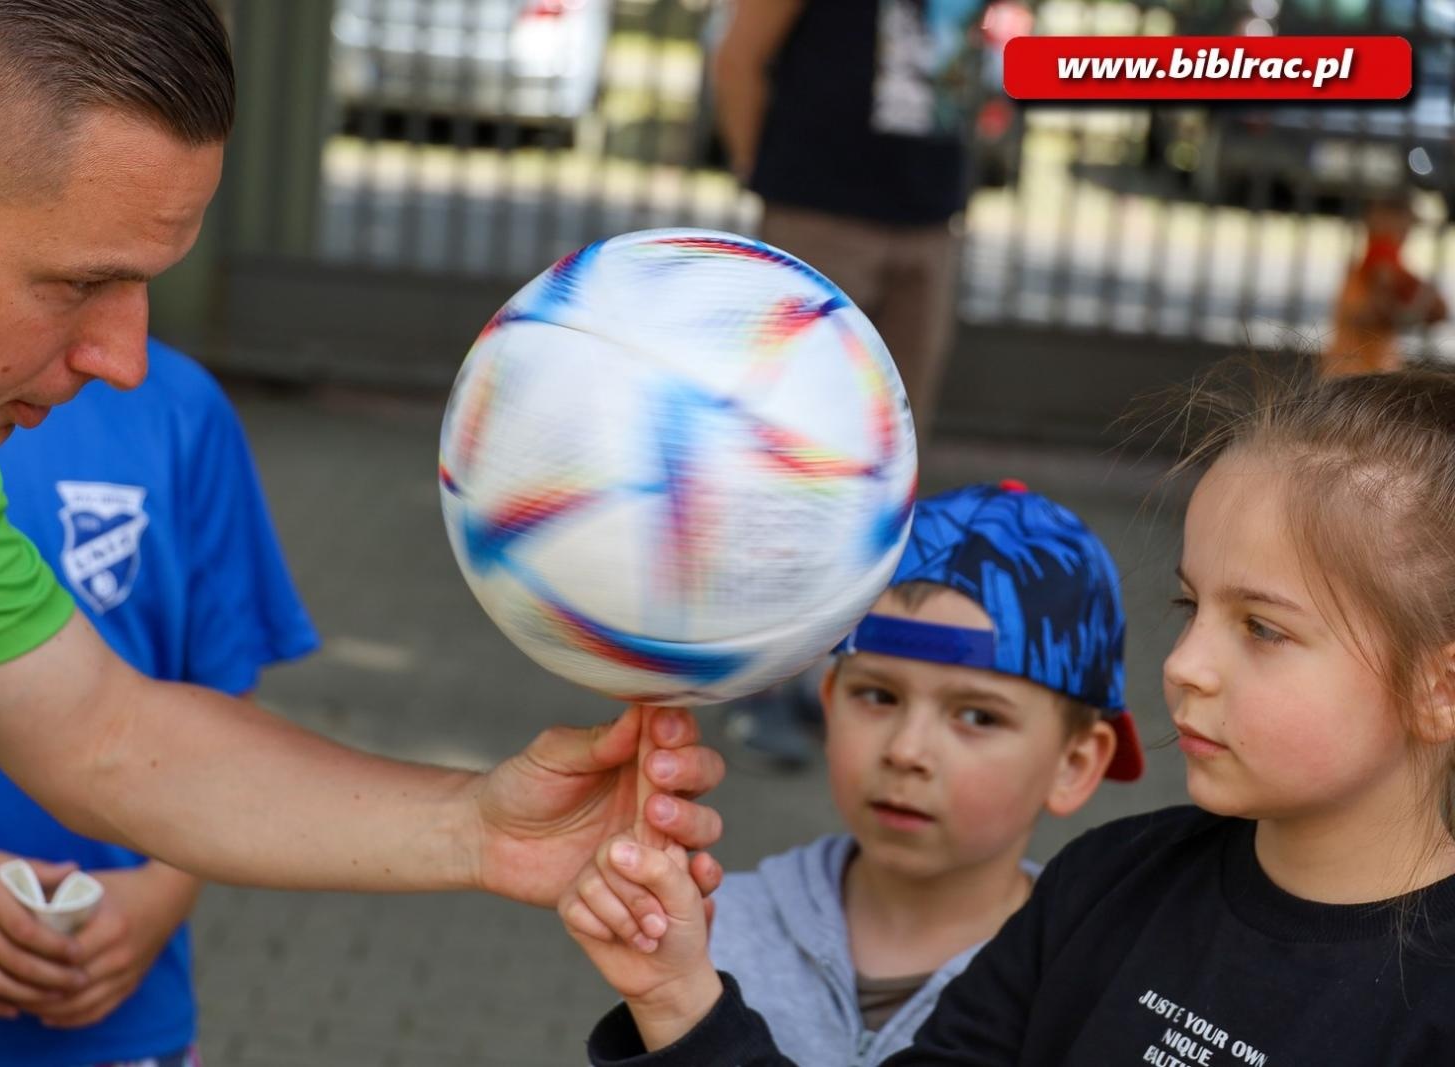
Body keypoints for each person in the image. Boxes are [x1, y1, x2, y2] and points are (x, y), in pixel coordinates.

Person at [0, 0, 721, 920]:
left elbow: (102, 735)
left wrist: (478, 826)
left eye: (143, 284)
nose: (125, 359)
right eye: (79, 282)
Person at [565, 367, 1455, 1065]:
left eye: (1262, 628)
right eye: (1190, 608)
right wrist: (680, 998)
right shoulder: (1110, 881)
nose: (1183, 664)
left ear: (1440, 687)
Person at [563, 482, 1144, 1064]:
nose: (907, 750)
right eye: (879, 695)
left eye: (976, 715)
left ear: (1074, 764)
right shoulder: (707, 932)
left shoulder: (1098, 990)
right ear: (829, 698)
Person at [0, 339, 317, 1067]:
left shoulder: (180, 406)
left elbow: (179, 715)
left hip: (122, 1015)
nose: (121, 345)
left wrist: (163, 892)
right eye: (82, 277)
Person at [714, 0, 979, 445]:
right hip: (819, 216)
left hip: (930, 219)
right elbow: (738, 58)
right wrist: (758, 169)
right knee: (798, 429)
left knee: (897, 441)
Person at [1322, 190, 1447, 379]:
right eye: (1403, 224)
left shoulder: (1379, 266)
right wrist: (1415, 306)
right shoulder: (1376, 263)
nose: (1405, 233)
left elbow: (1438, 310)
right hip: (1357, 380)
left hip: (1367, 377)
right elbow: (1375, 312)